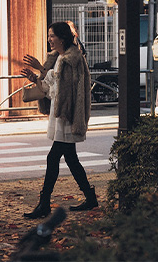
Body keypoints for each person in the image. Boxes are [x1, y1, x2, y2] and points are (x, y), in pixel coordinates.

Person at [21, 22, 96, 219]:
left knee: (53, 158)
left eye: (52, 36)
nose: (49, 39)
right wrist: (35, 78)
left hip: (68, 114)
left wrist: (41, 69)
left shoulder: (72, 59)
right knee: (71, 158)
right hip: (59, 113)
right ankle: (90, 197)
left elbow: (67, 88)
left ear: (62, 38)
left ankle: (44, 203)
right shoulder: (57, 58)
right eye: (49, 36)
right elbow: (49, 88)